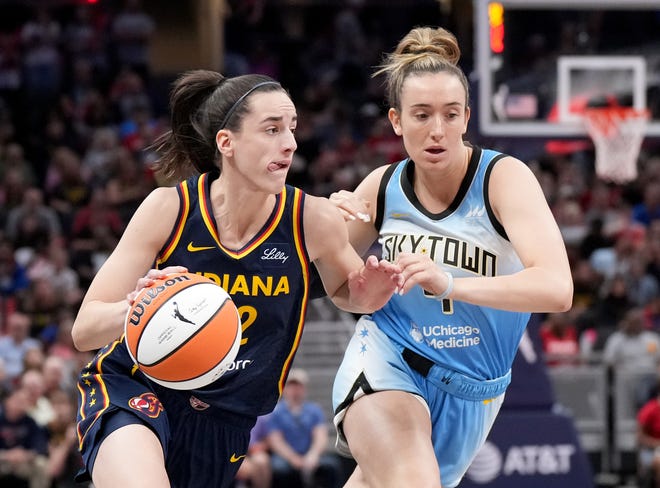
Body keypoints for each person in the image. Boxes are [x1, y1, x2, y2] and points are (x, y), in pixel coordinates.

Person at [70, 70, 402, 488]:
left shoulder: (311, 219)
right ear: (226, 143)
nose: (290, 143)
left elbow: (346, 292)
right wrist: (143, 308)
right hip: (135, 390)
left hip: (225, 419)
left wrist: (371, 291)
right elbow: (84, 329)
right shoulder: (168, 209)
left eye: (292, 129)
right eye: (272, 129)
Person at [328, 26, 573, 488]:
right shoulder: (380, 187)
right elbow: (336, 289)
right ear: (397, 121)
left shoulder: (503, 178)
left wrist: (450, 283)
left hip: (476, 391)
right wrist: (322, 227)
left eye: (449, 114)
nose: (436, 130)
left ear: (466, 118)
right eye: (421, 115)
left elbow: (558, 289)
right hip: (389, 359)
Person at [266, 368, 340, 488]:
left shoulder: (314, 410)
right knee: (279, 469)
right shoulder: (276, 412)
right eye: (291, 386)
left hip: (310, 455)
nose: (295, 390)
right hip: (286, 457)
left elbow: (320, 436)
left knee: (331, 465)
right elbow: (276, 441)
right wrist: (293, 458)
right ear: (285, 389)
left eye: (298, 386)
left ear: (304, 389)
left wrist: (313, 454)